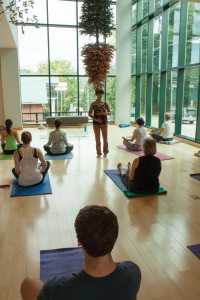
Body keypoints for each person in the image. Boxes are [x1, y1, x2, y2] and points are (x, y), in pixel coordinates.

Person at [20, 205, 141, 300]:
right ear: (114, 237)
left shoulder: (55, 289)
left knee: (28, 283)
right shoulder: (133, 272)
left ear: (79, 242)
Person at [88, 88, 111, 158]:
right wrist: (96, 120)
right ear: (96, 94)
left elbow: (110, 113)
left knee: (105, 139)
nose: (100, 95)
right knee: (97, 139)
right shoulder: (93, 104)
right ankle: (98, 153)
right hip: (96, 124)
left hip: (104, 123)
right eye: (99, 94)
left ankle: (105, 152)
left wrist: (104, 113)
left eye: (101, 93)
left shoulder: (105, 103)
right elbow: (89, 114)